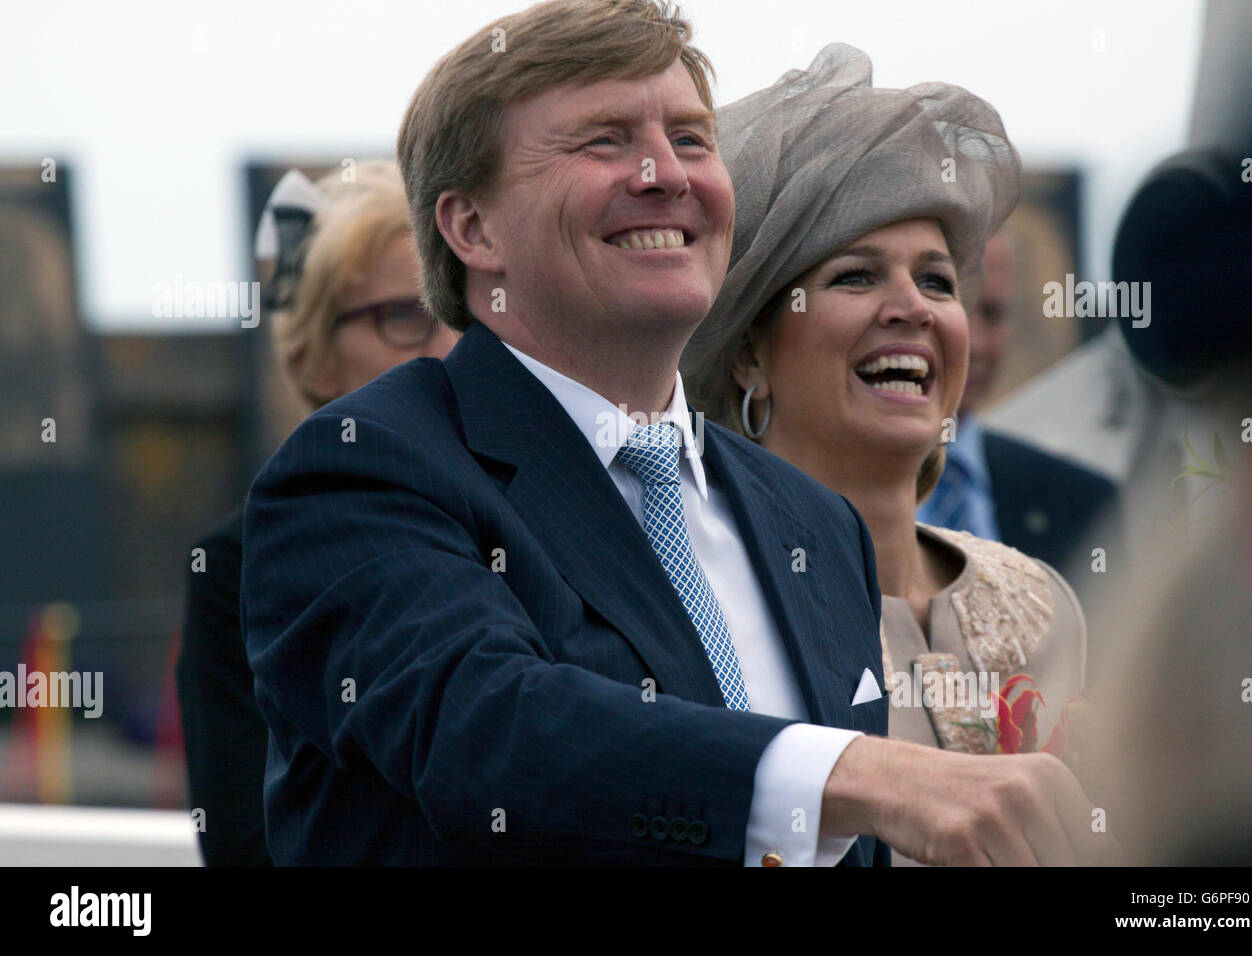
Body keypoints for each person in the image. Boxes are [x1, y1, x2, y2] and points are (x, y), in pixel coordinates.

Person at [241, 0, 1112, 866]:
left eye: (693, 140)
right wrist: (863, 774)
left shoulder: (812, 522)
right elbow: (488, 722)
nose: (666, 174)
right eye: (605, 140)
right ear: (473, 228)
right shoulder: (361, 471)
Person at [682, 44, 1092, 863]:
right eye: (855, 277)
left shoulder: (1042, 603)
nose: (912, 307)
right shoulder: (697, 605)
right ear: (748, 354)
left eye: (938, 282)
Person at [176, 160, 459, 866]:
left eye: (464, 315)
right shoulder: (237, 571)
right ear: (312, 355)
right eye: (404, 316)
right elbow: (246, 842)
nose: (449, 349)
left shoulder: (567, 521)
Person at [916, 228, 1122, 580]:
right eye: (956, 307)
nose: (975, 345)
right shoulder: (823, 497)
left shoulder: (1084, 504)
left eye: (993, 314)